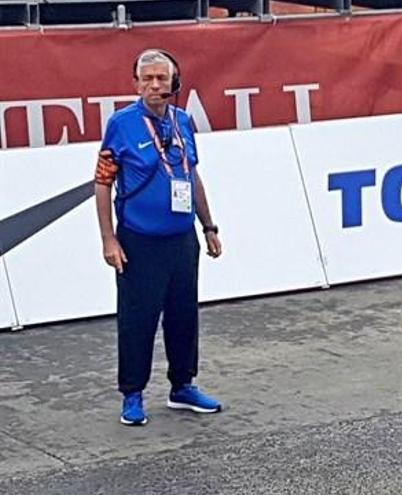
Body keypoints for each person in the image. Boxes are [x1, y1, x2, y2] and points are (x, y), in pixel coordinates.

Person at [94, 49, 223, 425]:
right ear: (135, 83)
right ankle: (132, 395)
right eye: (147, 78)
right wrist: (108, 239)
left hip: (182, 239)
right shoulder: (121, 124)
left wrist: (209, 226)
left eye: (161, 78)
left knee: (184, 317)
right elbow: (102, 184)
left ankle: (182, 386)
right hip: (138, 241)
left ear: (174, 83)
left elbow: (192, 176)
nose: (155, 85)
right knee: (138, 320)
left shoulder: (183, 121)